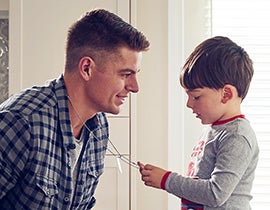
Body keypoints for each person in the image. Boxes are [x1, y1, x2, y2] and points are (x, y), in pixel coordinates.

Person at [0, 9, 149, 209]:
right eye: (125, 74)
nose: (135, 87)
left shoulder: (99, 126)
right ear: (86, 68)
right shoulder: (21, 122)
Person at [138, 36, 259, 210]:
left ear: (226, 94)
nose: (188, 104)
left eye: (196, 96)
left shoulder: (237, 136)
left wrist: (166, 180)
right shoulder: (214, 130)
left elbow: (215, 194)